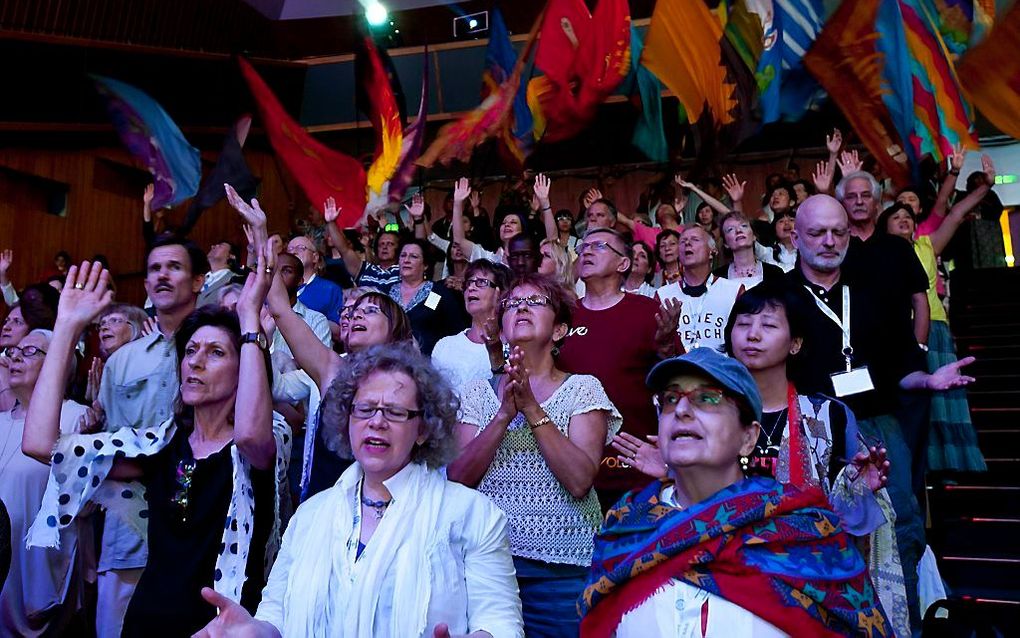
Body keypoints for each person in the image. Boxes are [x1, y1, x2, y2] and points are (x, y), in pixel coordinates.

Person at [613, 281, 911, 636]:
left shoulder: (826, 417)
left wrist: (858, 490)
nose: (752, 335)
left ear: (796, 343)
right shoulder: (700, 419)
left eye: (768, 325)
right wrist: (670, 471)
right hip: (717, 581)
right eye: (742, 324)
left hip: (799, 584)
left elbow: (838, 527)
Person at [22, 258, 289, 637]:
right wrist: (66, 328)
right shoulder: (160, 445)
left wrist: (248, 321)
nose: (195, 361)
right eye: (191, 350)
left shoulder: (267, 439)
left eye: (216, 353)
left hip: (222, 632)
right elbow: (39, 444)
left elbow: (248, 436)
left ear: (246, 367)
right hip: (146, 624)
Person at [192, 343, 525, 638]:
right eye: (364, 409)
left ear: (423, 428)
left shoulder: (473, 514)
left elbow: (502, 623)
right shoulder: (310, 515)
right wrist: (252, 631)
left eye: (394, 412)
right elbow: (275, 620)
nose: (376, 422)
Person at [579, 348, 893, 637]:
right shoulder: (626, 528)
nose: (682, 410)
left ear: (748, 436)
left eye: (708, 398)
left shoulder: (800, 532)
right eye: (670, 399)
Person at [788, 194, 977, 631]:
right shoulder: (776, 297)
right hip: (809, 427)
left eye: (839, 232)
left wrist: (926, 380)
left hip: (878, 422)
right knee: (812, 529)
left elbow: (900, 367)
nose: (830, 241)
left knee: (905, 526)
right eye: (817, 233)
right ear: (796, 238)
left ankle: (903, 623)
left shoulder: (872, 291)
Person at [449, 273, 621, 637]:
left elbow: (579, 480)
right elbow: (458, 478)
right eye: (511, 304)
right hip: (485, 564)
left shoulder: (583, 389)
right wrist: (502, 417)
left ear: (559, 331)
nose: (521, 307)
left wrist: (531, 409)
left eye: (535, 302)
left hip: (562, 572)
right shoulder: (477, 392)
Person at [558, 229, 679, 511]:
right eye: (583, 246)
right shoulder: (563, 316)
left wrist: (666, 351)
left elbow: (676, 385)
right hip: (571, 471)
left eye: (598, 246)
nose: (586, 251)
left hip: (635, 470)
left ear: (623, 264)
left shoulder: (648, 311)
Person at [878, 186, 990, 474]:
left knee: (943, 401)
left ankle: (950, 464)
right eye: (895, 216)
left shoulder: (927, 246)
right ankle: (919, 466)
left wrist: (985, 186)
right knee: (912, 405)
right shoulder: (876, 255)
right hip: (897, 333)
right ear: (883, 225)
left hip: (935, 329)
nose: (903, 219)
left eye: (907, 216)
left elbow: (955, 213)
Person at [1, 330, 88, 636]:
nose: (15, 359)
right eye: (14, 352)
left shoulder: (77, 417)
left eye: (29, 352)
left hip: (37, 569)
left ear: (60, 365)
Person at [432, 260, 513, 396]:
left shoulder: (512, 348)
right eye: (469, 283)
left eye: (481, 282)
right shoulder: (444, 346)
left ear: (500, 294)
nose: (471, 288)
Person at [656, 226, 743, 353]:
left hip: (720, 370)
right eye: (682, 241)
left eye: (695, 239)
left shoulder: (734, 291)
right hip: (677, 369)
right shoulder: (662, 295)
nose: (687, 243)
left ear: (712, 251)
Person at [386, 238, 468, 356]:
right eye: (403, 255)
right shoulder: (386, 293)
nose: (406, 260)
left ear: (425, 265)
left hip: (429, 364)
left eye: (413, 256)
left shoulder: (440, 293)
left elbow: (457, 332)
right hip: (389, 361)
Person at [323, 196, 401, 290]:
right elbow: (344, 250)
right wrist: (331, 222)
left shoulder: (404, 271)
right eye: (381, 244)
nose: (385, 247)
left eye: (390, 244)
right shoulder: (366, 270)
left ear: (399, 249)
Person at [285, 235, 344, 337]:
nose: (293, 252)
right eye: (289, 250)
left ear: (315, 257)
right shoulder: (279, 289)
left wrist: (307, 319)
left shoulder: (330, 289)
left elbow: (339, 330)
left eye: (300, 248)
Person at [713, 211, 786, 288]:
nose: (738, 231)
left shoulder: (775, 273)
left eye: (744, 226)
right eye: (730, 229)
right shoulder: (717, 278)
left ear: (754, 236)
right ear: (725, 243)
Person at [197, 240, 240, 308]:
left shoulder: (236, 279)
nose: (212, 246)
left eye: (220, 246)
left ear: (231, 256)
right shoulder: (199, 279)